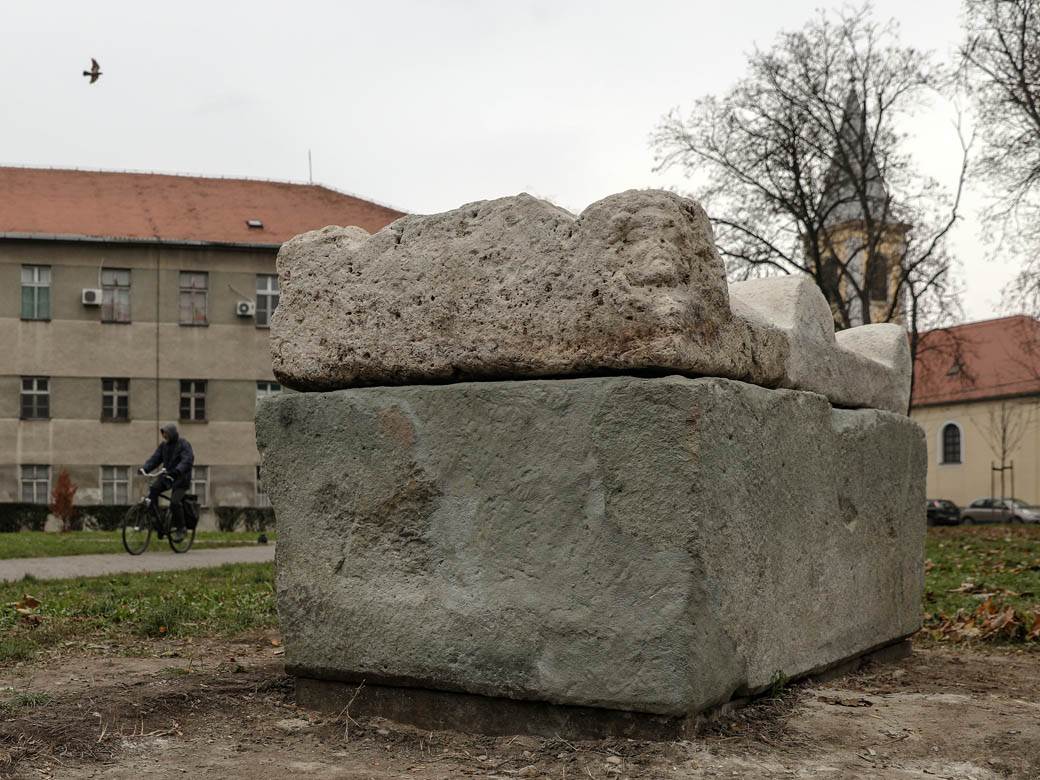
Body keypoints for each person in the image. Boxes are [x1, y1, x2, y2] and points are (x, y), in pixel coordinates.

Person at [140, 423, 194, 541]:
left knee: (174, 502)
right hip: (168, 476)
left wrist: (178, 471)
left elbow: (187, 460)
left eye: (166, 434)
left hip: (181, 479)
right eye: (163, 434)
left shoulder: (184, 444)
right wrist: (145, 468)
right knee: (153, 490)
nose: (164, 437)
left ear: (172, 433)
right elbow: (155, 459)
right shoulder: (163, 446)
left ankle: (181, 528)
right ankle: (157, 523)